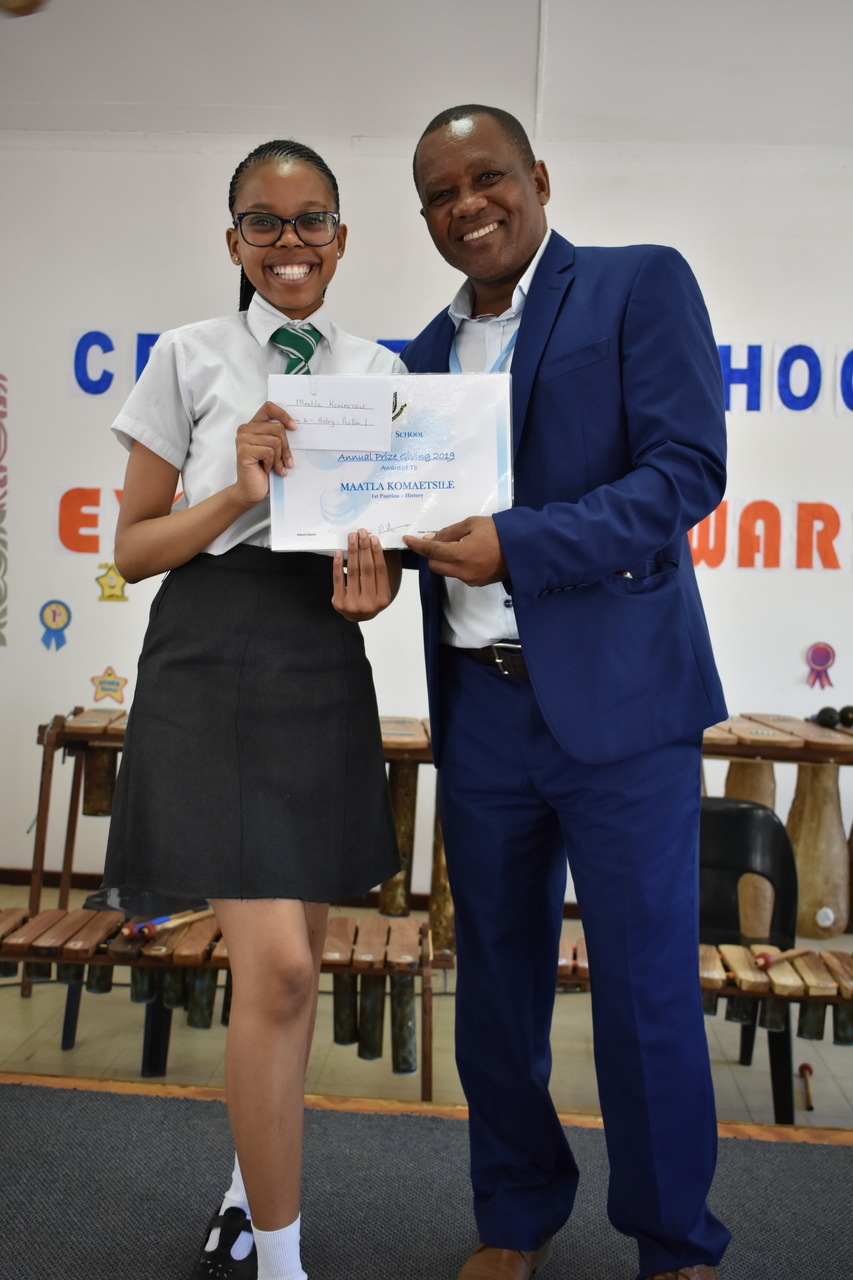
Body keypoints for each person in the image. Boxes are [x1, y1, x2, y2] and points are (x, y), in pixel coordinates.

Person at [401, 106, 731, 1280]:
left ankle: (674, 1239)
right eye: (440, 193)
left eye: (487, 177)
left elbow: (686, 470)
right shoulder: (415, 361)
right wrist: (357, 558)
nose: (467, 205)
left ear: (537, 178)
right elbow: (403, 518)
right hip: (480, 706)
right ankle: (514, 1214)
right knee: (493, 987)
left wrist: (521, 543)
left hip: (623, 706)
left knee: (644, 988)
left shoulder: (638, 284)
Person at [101, 138, 403, 1280]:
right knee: (275, 970)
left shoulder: (378, 369)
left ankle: (247, 1197)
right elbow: (133, 550)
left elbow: (383, 545)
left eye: (311, 219)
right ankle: (282, 1264)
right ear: (233, 241)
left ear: (341, 237)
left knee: (296, 966)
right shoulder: (186, 356)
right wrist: (233, 489)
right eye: (263, 222)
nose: (290, 242)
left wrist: (374, 593)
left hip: (318, 653)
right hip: (210, 650)